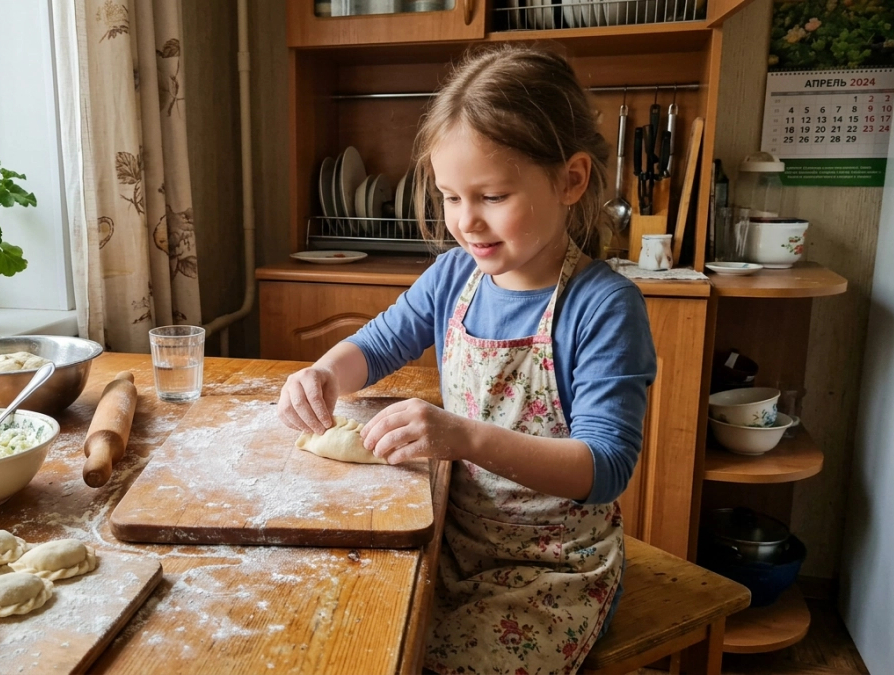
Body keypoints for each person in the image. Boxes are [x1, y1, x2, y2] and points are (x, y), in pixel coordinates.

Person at [276, 44, 657, 674]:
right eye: (451, 197)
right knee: (348, 636)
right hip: (449, 536)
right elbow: (379, 343)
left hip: (552, 568)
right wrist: (323, 372)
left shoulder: (603, 307)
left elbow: (606, 466)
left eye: (493, 196)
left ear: (571, 180)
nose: (466, 222)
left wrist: (464, 437)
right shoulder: (454, 277)